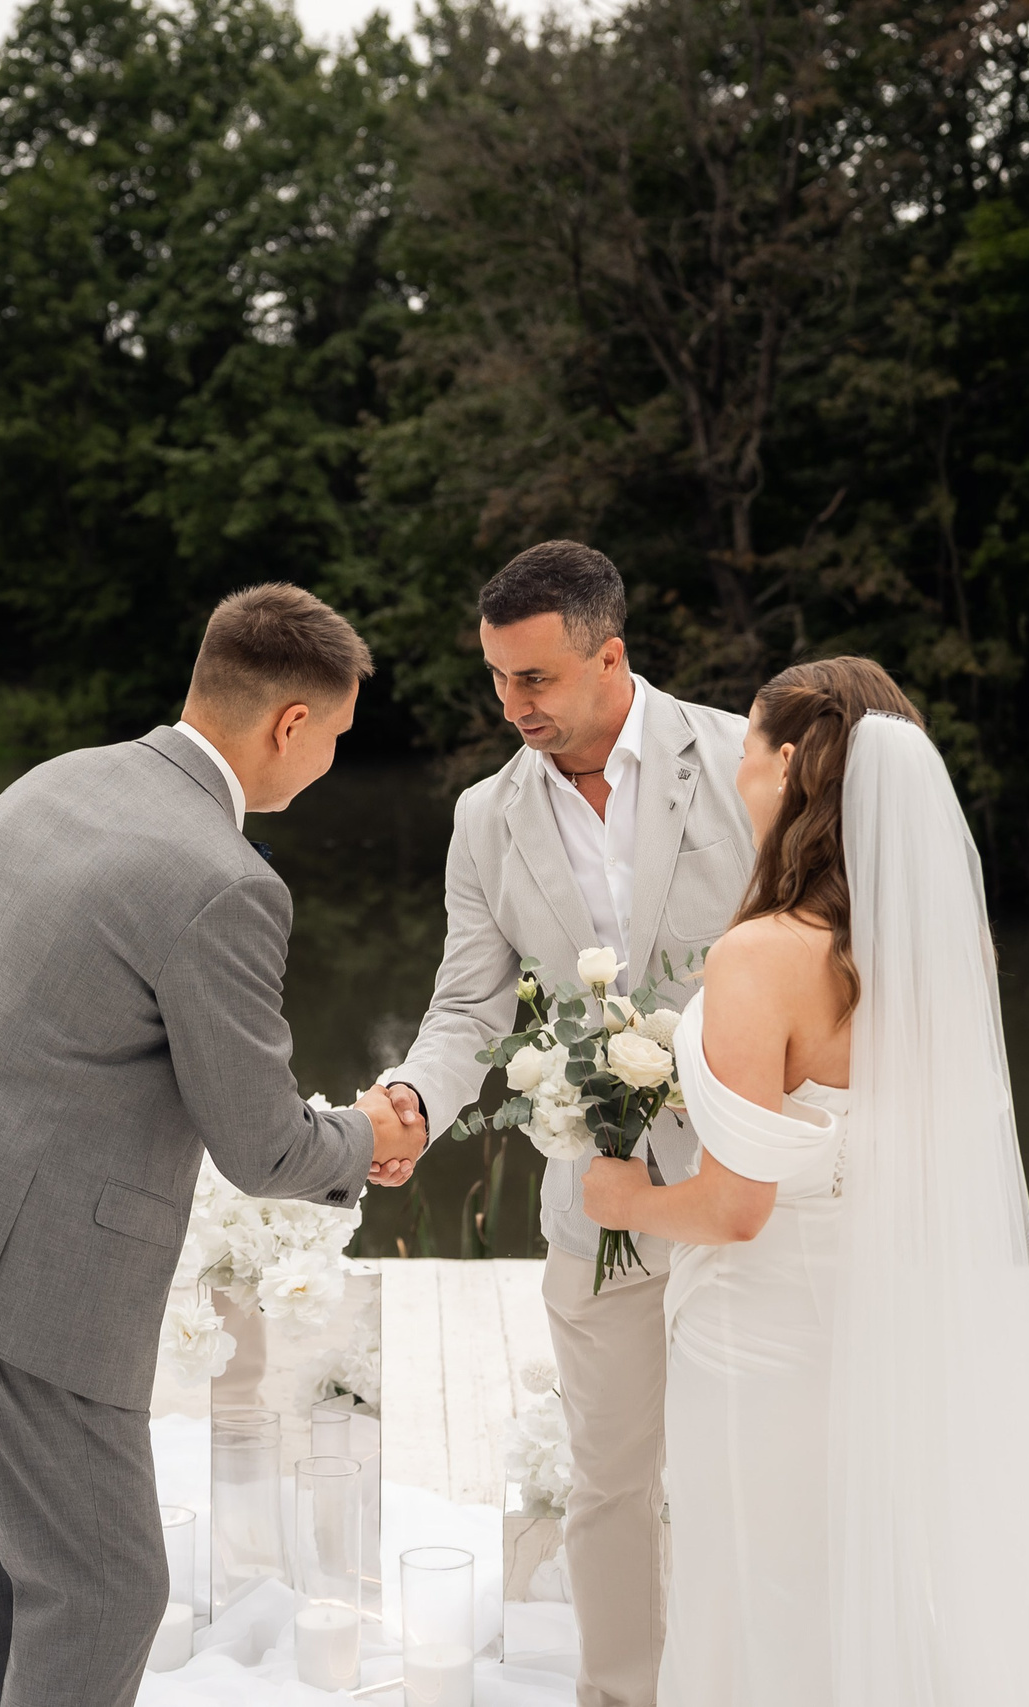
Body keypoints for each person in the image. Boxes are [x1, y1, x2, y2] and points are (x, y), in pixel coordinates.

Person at [0, 584, 426, 1707]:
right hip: (29, 1266)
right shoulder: (226, 882)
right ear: (290, 723)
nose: (330, 761)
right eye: (334, 738)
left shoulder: (55, 782)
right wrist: (369, 1133)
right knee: (105, 1588)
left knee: (0, 1575)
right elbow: (261, 1145)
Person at [582, 657, 1029, 1704]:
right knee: (862, 1584)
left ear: (794, 763)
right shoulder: (946, 949)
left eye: (749, 746)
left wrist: (625, 1202)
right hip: (885, 1329)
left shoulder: (763, 954)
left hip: (761, 1340)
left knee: (755, 1591)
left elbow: (735, 1205)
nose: (737, 770)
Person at [378, 540, 751, 1707]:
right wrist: (411, 1100)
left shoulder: (745, 760)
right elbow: (466, 1004)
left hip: (754, 1191)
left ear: (610, 657)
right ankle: (620, 1694)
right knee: (606, 1476)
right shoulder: (483, 817)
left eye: (533, 679)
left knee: (756, 1469)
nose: (511, 705)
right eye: (495, 678)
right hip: (591, 1198)